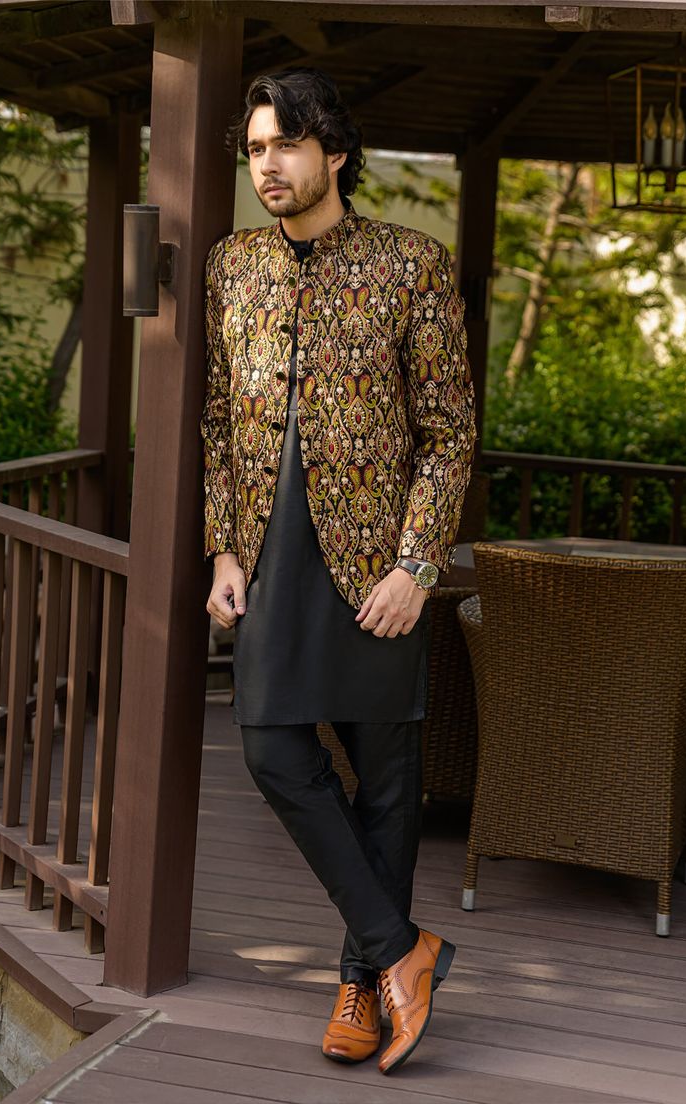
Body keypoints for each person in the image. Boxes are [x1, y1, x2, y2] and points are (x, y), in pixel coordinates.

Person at [201, 68, 476, 1076]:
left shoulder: (412, 265)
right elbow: (218, 423)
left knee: (386, 781)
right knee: (272, 750)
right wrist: (223, 545)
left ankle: (362, 983)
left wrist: (416, 564)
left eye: (283, 146)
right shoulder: (234, 267)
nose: (266, 166)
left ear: (333, 152)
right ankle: (403, 947)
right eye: (255, 151)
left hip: (378, 568)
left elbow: (448, 434)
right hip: (272, 556)